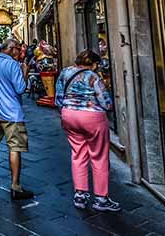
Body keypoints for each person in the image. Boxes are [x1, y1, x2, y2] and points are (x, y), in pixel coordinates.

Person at [55, 50, 118, 212]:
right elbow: (105, 102)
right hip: (92, 118)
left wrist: (67, 109)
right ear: (94, 64)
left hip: (69, 115)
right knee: (99, 156)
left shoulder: (65, 72)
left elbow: (58, 98)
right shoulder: (93, 76)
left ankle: (80, 195)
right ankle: (101, 198)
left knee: (78, 154)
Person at [0, 39, 34, 200]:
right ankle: (15, 186)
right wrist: (25, 71)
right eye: (18, 49)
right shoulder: (13, 65)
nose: (20, 52)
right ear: (11, 49)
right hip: (12, 113)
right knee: (15, 148)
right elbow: (21, 89)